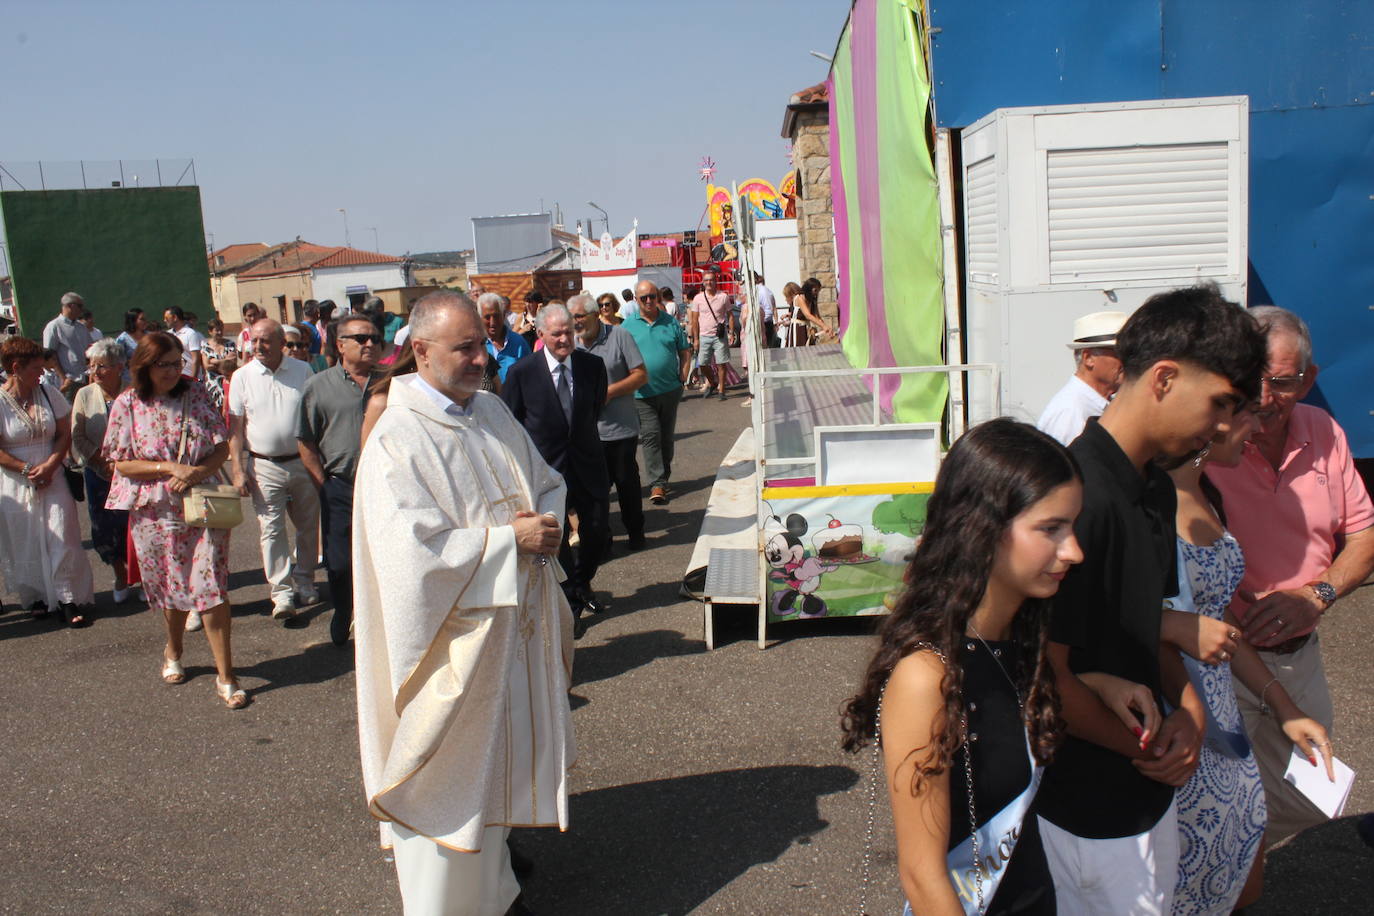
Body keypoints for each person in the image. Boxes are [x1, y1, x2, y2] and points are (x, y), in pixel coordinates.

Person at [1033, 285, 1266, 914]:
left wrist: (1189, 713)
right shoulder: (1075, 497)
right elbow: (1048, 676)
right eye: (1221, 402)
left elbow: (1149, 631)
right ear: (1163, 378)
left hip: (1149, 794)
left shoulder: (1155, 490)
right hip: (1085, 810)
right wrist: (1149, 748)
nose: (1223, 425)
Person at [352, 290, 573, 915]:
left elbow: (546, 481)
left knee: (491, 767)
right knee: (446, 778)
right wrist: (510, 542)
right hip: (448, 646)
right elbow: (412, 558)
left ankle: (495, 891)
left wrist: (548, 522)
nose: (482, 358)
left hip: (506, 636)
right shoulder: (397, 439)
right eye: (465, 348)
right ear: (419, 351)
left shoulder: (489, 412)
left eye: (482, 344)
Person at [842, 418, 1082, 915]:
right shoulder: (925, 677)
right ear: (984, 529)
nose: (1073, 550)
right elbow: (923, 876)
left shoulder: (1019, 639)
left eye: (1073, 526)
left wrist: (1108, 685)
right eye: (1051, 529)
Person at [1151, 401, 1332, 913]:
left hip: (1225, 718)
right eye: (1246, 414)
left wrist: (1285, 706)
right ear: (1211, 421)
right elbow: (1110, 620)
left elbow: (1220, 619)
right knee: (1183, 882)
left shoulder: (1206, 491)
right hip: (1178, 718)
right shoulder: (1149, 504)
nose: (1257, 428)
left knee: (1238, 873)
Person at [1207, 305, 1374, 845]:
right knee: (1216, 797)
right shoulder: (1207, 445)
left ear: (1309, 379)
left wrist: (1315, 595)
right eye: (1250, 377)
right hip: (1221, 659)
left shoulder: (1323, 430)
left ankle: (1228, 866)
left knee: (1312, 793)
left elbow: (1365, 535)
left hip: (1301, 654)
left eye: (1279, 382)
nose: (1262, 395)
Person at [102, 332, 247, 708]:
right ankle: (174, 648)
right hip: (154, 511)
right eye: (163, 364)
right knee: (170, 588)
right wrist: (167, 466)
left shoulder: (196, 394)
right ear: (144, 366)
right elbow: (121, 462)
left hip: (201, 505)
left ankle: (226, 677)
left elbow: (219, 448)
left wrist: (197, 473)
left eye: (176, 362)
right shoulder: (127, 403)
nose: (171, 371)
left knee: (212, 586)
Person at [502, 302, 610, 631]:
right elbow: (512, 422)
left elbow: (594, 409)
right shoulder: (523, 373)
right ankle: (569, 602)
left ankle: (582, 581)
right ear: (540, 334)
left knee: (596, 533)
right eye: (556, 333)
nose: (564, 339)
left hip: (589, 464)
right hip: (546, 472)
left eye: (569, 332)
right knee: (557, 539)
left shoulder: (593, 366)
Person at [228, 318, 320, 623]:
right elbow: (236, 430)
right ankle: (281, 593)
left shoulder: (302, 371)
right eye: (254, 341)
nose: (257, 347)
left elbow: (313, 418)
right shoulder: (241, 377)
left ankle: (305, 580)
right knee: (271, 529)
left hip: (301, 461)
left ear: (282, 343)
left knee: (307, 527)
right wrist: (238, 470)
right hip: (263, 465)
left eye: (265, 341)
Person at [0, 336, 96, 625]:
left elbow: (65, 433)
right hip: (16, 477)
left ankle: (68, 597)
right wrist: (27, 468)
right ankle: (37, 596)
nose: (42, 373)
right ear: (16, 368)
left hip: (52, 472)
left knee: (62, 532)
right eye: (36, 368)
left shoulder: (48, 393)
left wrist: (52, 464)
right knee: (25, 537)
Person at [298, 313, 380, 647]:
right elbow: (305, 441)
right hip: (341, 486)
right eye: (361, 338)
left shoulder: (392, 382)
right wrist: (324, 484)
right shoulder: (317, 387)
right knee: (341, 562)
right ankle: (343, 610)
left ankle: (379, 621)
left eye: (375, 337)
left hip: (384, 488)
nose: (370, 344)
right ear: (340, 345)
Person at [569, 293, 648, 553]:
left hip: (620, 429)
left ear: (595, 315)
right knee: (595, 492)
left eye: (580, 316)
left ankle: (636, 532)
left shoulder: (619, 336)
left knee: (626, 485)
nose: (576, 322)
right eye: (572, 318)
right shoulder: (571, 345)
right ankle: (603, 540)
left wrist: (608, 393)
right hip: (587, 434)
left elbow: (640, 376)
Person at [72, 339, 133, 603]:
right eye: (92, 365)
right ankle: (120, 574)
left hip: (132, 472)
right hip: (99, 473)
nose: (95, 371)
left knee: (133, 525)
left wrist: (123, 463)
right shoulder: (85, 395)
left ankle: (140, 576)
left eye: (102, 366)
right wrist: (101, 460)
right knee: (105, 528)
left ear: (119, 367)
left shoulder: (133, 391)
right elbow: (78, 435)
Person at [623, 279, 691, 507]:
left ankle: (664, 475)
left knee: (666, 438)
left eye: (653, 296)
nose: (650, 301)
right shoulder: (627, 327)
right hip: (642, 394)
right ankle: (657, 483)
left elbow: (685, 350)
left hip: (670, 390)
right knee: (651, 436)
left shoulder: (670, 322)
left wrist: (683, 373)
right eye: (644, 298)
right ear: (636, 300)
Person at [1037, 311, 1128, 446]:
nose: (1128, 360)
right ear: (1088, 358)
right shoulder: (1070, 412)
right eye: (1120, 352)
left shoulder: (1090, 405)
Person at [689, 269, 736, 400]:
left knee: (722, 363)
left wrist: (731, 332)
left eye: (711, 280)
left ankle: (722, 390)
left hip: (719, 335)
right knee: (703, 364)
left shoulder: (723, 296)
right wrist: (696, 339)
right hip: (704, 335)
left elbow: (730, 316)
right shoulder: (698, 298)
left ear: (716, 281)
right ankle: (713, 382)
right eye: (706, 280)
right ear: (703, 282)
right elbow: (694, 320)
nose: (709, 282)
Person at [42, 291, 94, 399]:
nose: (82, 310)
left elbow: (90, 349)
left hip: (86, 378)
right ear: (71, 306)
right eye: (80, 306)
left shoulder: (81, 327)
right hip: (69, 381)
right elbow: (50, 355)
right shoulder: (54, 327)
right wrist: (64, 379)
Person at [478, 292, 532, 383]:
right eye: (487, 317)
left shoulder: (519, 342)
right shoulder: (476, 346)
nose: (493, 322)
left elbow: (531, 374)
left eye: (496, 316)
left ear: (503, 315)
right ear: (479, 318)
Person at [164, 306, 207, 379]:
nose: (164, 320)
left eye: (166, 317)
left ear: (175, 317)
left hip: (189, 378)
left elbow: (196, 359)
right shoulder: (168, 334)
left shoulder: (190, 333)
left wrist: (193, 379)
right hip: (175, 378)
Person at [753, 273, 777, 348]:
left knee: (761, 347)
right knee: (770, 346)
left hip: (762, 321)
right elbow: (774, 309)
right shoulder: (769, 292)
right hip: (769, 321)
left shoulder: (757, 292)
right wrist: (776, 322)